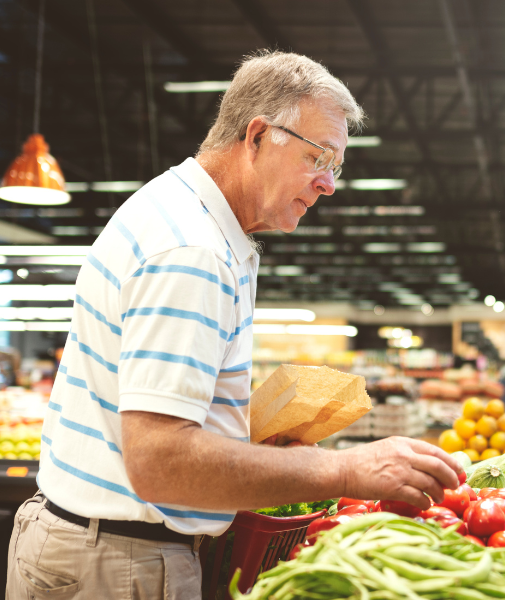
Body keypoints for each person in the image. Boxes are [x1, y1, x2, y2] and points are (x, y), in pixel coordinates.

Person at [6, 51, 461, 600]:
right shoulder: (192, 251)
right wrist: (342, 470)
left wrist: (245, 438)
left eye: (336, 166)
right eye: (318, 157)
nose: (329, 184)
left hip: (96, 547)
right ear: (258, 136)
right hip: (118, 563)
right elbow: (159, 462)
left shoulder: (187, 217)